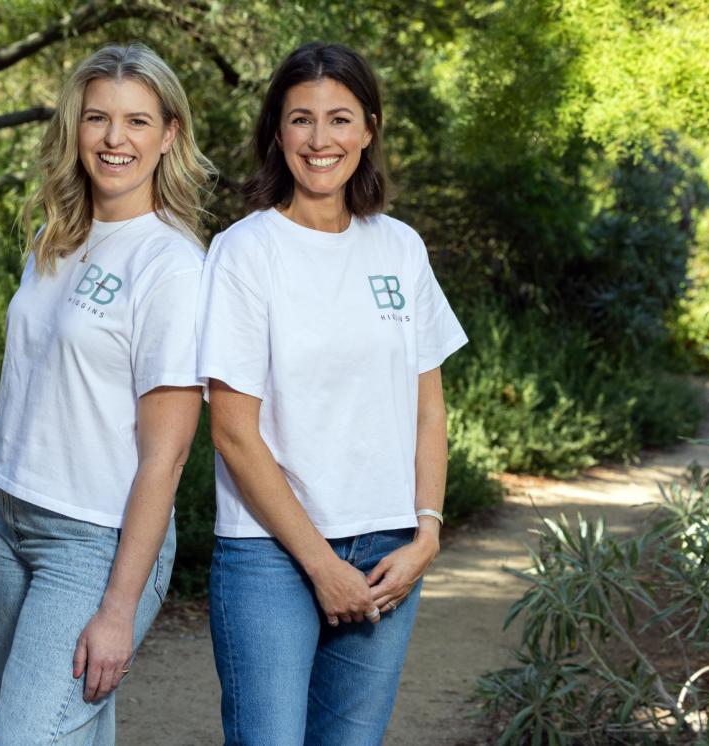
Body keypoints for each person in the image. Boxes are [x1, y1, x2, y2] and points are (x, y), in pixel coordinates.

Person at [197, 42, 468, 745]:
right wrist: (322, 565)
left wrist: (428, 534)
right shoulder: (243, 251)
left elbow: (428, 408)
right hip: (270, 553)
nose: (321, 140)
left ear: (369, 128)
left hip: (388, 553)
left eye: (340, 119)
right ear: (276, 133)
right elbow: (231, 431)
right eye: (301, 120)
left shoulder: (400, 248)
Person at [0, 43, 214, 745]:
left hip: (94, 543)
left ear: (169, 135)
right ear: (76, 127)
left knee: (28, 736)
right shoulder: (54, 237)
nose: (114, 138)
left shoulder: (172, 267)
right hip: (14, 524)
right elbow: (23, 397)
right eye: (97, 118)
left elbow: (168, 455)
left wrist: (119, 608)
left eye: (136, 121)